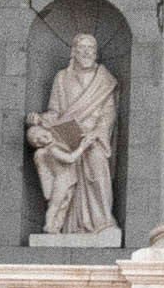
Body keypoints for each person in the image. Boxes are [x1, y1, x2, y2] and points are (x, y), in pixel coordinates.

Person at [29, 32, 119, 244]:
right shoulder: (62, 77)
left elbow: (109, 113)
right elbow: (55, 112)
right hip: (66, 135)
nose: (87, 52)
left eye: (91, 48)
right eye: (83, 47)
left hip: (94, 136)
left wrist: (97, 131)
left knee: (97, 165)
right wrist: (39, 119)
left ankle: (103, 222)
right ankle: (67, 225)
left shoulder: (105, 80)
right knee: (62, 169)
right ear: (74, 51)